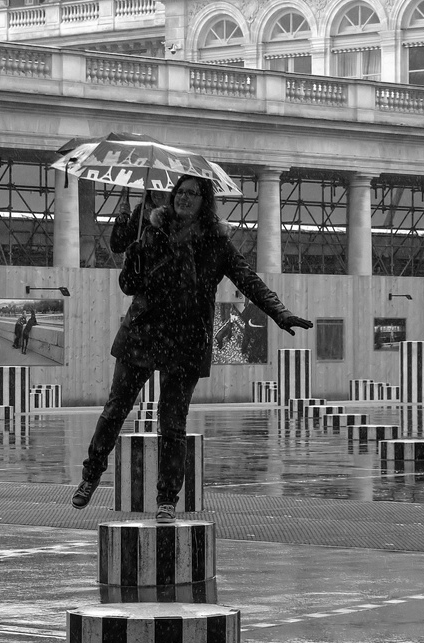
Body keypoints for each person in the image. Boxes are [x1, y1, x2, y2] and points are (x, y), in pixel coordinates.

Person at [71, 175, 313, 521]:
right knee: (115, 409)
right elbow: (129, 286)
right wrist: (135, 260)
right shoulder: (151, 229)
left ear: (204, 200)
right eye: (180, 192)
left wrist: (279, 312)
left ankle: (167, 498)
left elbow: (249, 279)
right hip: (144, 330)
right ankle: (91, 475)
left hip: (186, 338)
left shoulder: (215, 242)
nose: (184, 198)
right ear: (172, 196)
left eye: (192, 194)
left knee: (172, 423)